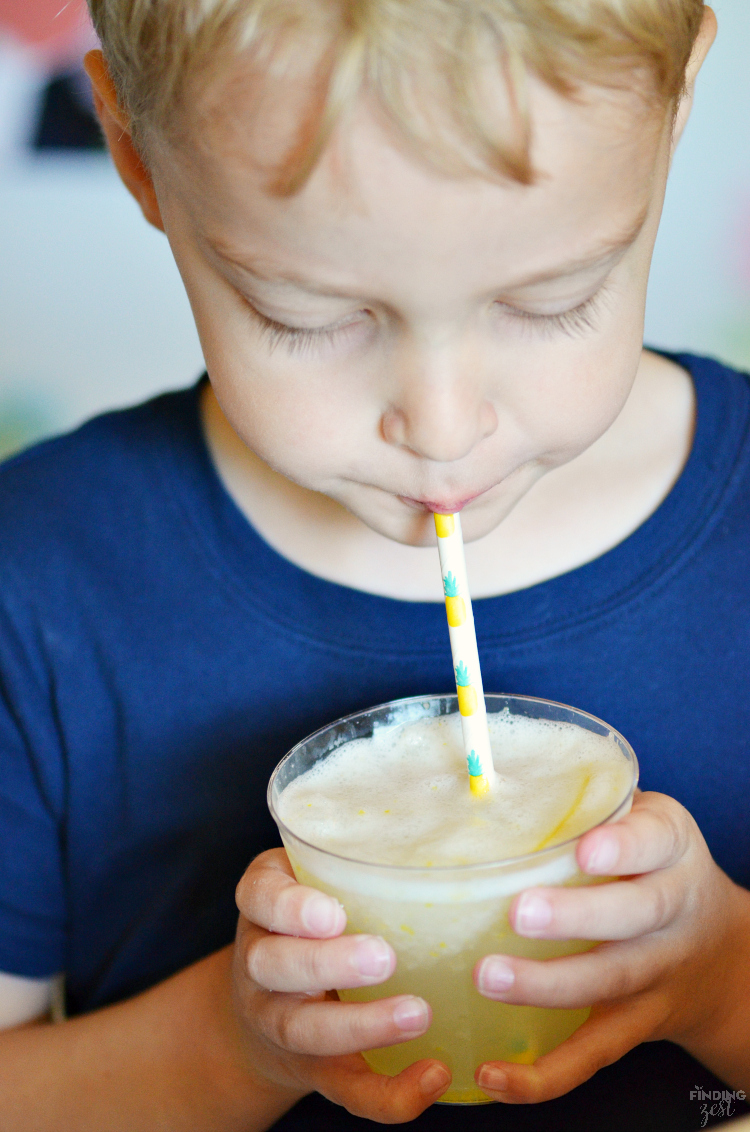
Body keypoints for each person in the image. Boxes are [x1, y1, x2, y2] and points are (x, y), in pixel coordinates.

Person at [0, 1, 748, 1128]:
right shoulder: (38, 578)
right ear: (134, 154)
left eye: (552, 297)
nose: (443, 428)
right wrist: (230, 1045)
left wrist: (724, 977)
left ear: (678, 101)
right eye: (306, 314)